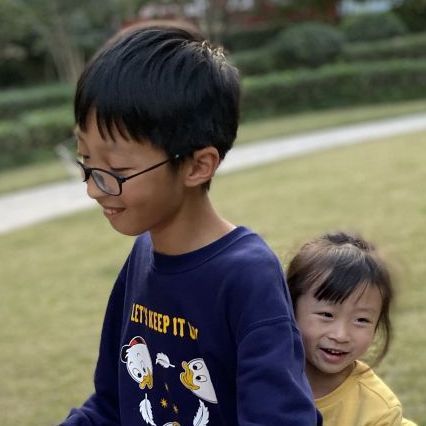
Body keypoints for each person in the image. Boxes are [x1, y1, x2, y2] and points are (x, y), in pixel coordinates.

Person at [60, 23, 320, 425]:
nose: (94, 189)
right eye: (86, 161)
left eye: (116, 170)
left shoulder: (247, 276)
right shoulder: (142, 256)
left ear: (198, 166)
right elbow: (112, 402)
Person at [286, 231, 417, 425]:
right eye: (327, 315)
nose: (341, 335)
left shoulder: (378, 412)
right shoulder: (260, 372)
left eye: (361, 320)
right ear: (290, 307)